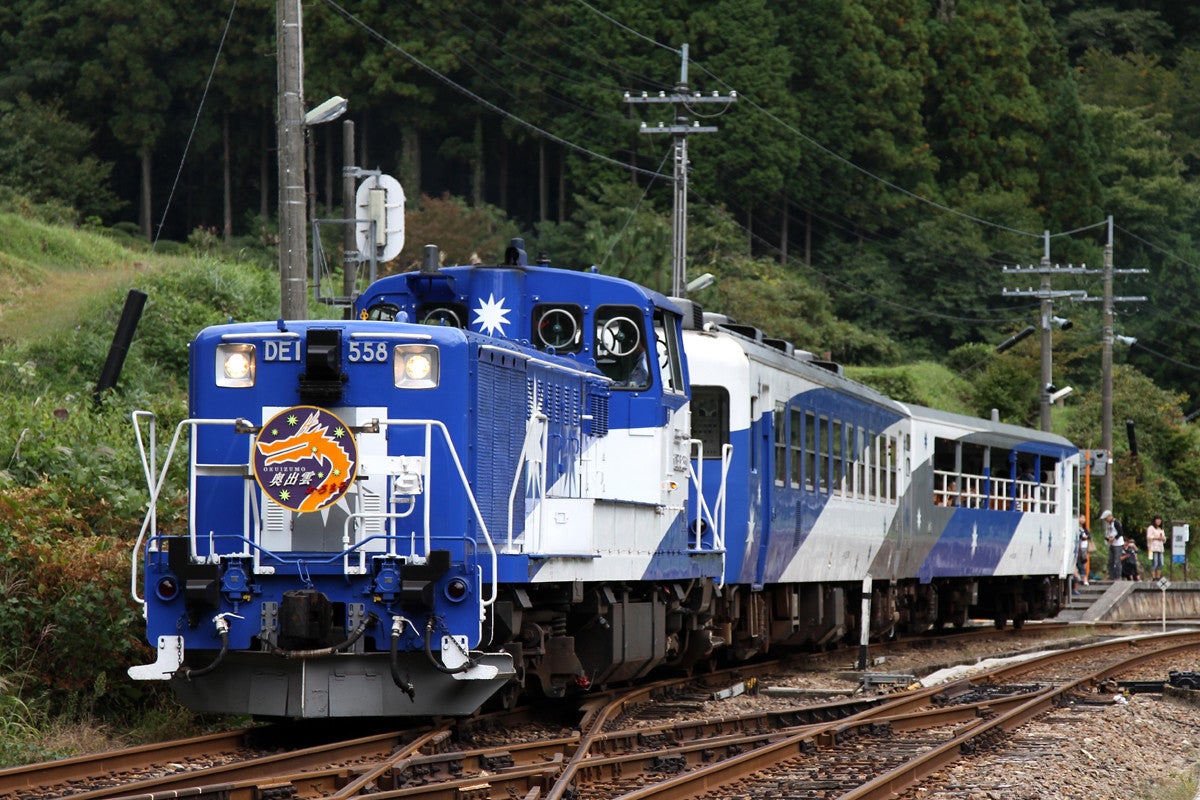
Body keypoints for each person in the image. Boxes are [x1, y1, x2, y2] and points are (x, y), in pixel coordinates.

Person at [1101, 510, 1124, 580]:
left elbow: (1120, 532)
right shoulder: (1109, 524)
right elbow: (1108, 534)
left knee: (1117, 561)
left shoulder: (1116, 522)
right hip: (1112, 544)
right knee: (1110, 561)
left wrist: (1114, 538)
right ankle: (1111, 576)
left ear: (1109, 516)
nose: (1105, 520)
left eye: (1106, 518)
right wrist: (1107, 539)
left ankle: (1118, 576)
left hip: (1118, 544)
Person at [1146, 515, 1166, 580]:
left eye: (1159, 520)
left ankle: (1158, 576)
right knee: (1155, 562)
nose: (1158, 521)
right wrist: (1157, 538)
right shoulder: (1151, 528)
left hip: (1160, 548)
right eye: (1157, 520)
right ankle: (1153, 577)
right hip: (1152, 548)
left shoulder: (1161, 529)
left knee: (1161, 563)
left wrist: (1163, 538)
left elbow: (1164, 539)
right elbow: (1149, 537)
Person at [1075, 515, 1091, 592]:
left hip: (1084, 548)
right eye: (1081, 517)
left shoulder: (1084, 528)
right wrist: (1082, 536)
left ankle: (1082, 577)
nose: (1083, 519)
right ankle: (1083, 578)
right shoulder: (1076, 528)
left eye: (1084, 518)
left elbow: (1089, 535)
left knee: (1084, 562)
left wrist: (1086, 537)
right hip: (1078, 548)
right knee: (1080, 562)